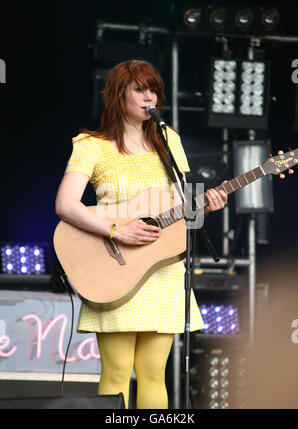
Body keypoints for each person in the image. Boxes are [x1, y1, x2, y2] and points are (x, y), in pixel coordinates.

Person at [55, 60, 227, 409]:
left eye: (153, 89)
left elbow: (182, 210)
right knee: (117, 371)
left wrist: (205, 206)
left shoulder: (169, 140)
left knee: (153, 373)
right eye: (139, 88)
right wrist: (118, 229)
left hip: (161, 269)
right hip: (113, 266)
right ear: (119, 95)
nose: (149, 96)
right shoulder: (92, 144)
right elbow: (65, 204)